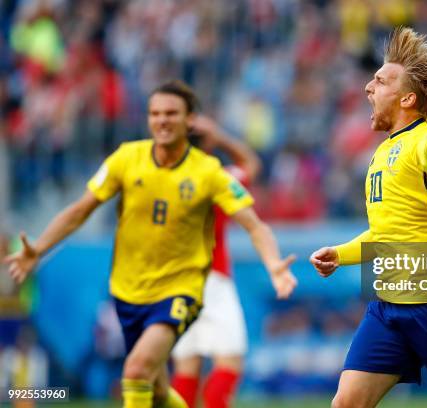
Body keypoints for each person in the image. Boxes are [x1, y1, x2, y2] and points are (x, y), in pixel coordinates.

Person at [3, 80, 297, 408]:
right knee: (159, 385)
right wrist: (40, 248)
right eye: (155, 113)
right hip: (136, 289)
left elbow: (254, 225)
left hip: (191, 285)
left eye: (171, 114)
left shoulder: (211, 174)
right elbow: (80, 210)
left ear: (188, 122)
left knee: (140, 370)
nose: (162, 121)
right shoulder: (131, 159)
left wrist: (273, 263)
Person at [310, 27, 427, 408]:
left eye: (380, 80)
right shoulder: (381, 153)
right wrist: (340, 255)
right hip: (388, 303)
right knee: (346, 403)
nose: (367, 88)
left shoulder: (425, 137)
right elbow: (387, 233)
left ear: (407, 98)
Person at [170, 115, 261, 408]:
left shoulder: (165, 181)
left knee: (186, 365)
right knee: (229, 360)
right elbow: (252, 165)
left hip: (176, 281)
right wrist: (220, 135)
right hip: (213, 279)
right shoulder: (219, 178)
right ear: (206, 144)